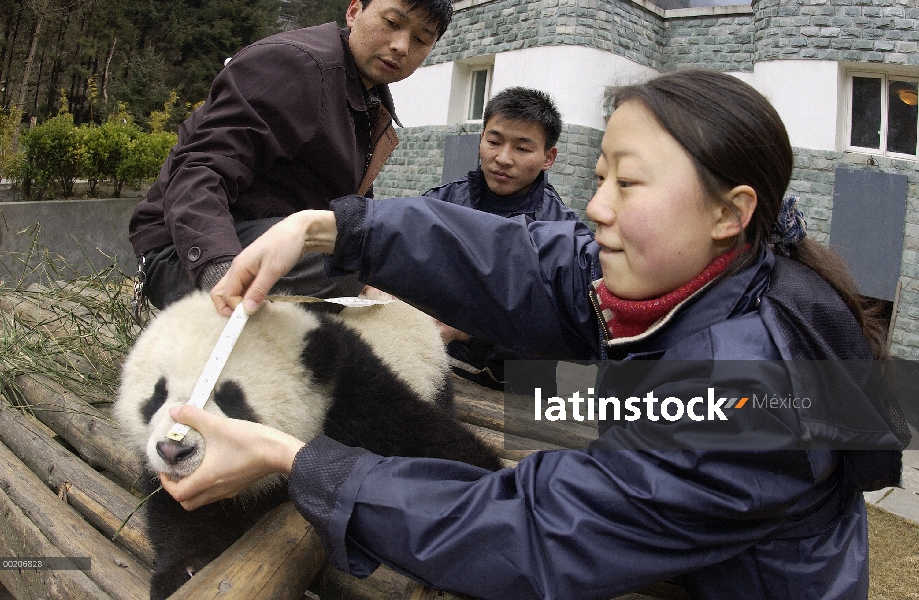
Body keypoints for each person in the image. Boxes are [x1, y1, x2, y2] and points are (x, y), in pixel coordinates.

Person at [163, 70, 908, 599]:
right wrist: (330, 228)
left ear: (728, 211)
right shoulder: (711, 273)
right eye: (601, 176)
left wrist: (297, 460)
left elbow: (527, 533)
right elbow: (528, 263)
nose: (597, 208)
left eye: (629, 183)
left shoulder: (749, 394)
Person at [128, 0, 453, 309]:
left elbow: (353, 216)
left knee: (388, 257)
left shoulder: (368, 105)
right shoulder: (294, 65)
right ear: (354, 11)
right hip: (181, 253)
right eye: (392, 23)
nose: (401, 46)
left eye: (421, 39)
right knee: (349, 264)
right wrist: (219, 270)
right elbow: (200, 171)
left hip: (269, 244)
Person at [428, 86, 588, 393]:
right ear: (481, 140)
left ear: (548, 157)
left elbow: (565, 347)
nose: (503, 158)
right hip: (431, 367)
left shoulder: (566, 238)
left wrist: (467, 333)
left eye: (523, 149)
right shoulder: (440, 205)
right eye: (494, 142)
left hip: (509, 392)